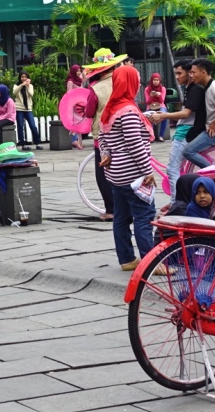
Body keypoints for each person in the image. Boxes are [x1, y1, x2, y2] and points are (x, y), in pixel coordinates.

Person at [97, 65, 155, 272]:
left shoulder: (111, 108)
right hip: (133, 174)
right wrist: (147, 170)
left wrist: (106, 153)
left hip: (116, 174)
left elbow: (101, 136)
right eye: (136, 81)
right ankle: (150, 262)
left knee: (121, 217)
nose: (138, 85)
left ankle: (127, 259)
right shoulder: (127, 110)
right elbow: (135, 143)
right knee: (144, 215)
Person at [149, 60, 206, 202]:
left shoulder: (196, 90)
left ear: (190, 73)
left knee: (172, 169)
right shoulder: (190, 89)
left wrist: (163, 116)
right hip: (184, 130)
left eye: (180, 73)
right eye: (175, 73)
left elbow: (186, 114)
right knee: (177, 169)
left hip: (185, 133)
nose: (177, 76)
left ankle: (176, 203)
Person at [82, 48, 128, 221]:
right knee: (124, 168)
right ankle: (127, 207)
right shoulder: (122, 82)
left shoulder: (95, 89)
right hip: (124, 130)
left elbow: (89, 112)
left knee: (103, 172)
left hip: (103, 134)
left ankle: (111, 210)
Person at [183, 58, 215, 169]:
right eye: (190, 73)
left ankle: (214, 172)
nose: (191, 75)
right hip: (212, 130)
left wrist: (214, 124)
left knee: (188, 151)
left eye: (194, 72)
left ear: (203, 73)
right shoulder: (207, 87)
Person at [11, 72, 42, 150]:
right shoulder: (16, 85)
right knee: (20, 126)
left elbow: (31, 94)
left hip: (28, 109)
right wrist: (21, 85)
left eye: (25, 77)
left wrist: (27, 86)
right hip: (19, 109)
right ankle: (23, 145)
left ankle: (37, 143)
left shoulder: (30, 86)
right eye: (22, 77)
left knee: (33, 126)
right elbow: (14, 93)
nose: (24, 78)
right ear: (19, 78)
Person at [144, 72, 168, 142]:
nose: (156, 81)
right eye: (154, 80)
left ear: (159, 81)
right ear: (151, 80)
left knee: (164, 115)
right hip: (150, 106)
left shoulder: (163, 89)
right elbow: (147, 102)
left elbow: (162, 101)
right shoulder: (147, 89)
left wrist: (159, 95)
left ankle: (161, 136)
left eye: (157, 80)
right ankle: (151, 136)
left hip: (160, 106)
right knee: (149, 116)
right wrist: (151, 96)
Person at [66, 65, 84, 149]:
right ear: (73, 72)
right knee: (74, 123)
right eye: (77, 71)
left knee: (79, 122)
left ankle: (79, 142)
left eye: (80, 70)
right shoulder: (70, 82)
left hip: (80, 105)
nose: (79, 72)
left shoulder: (80, 80)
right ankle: (74, 141)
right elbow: (69, 94)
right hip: (73, 105)